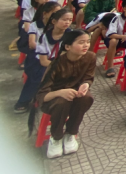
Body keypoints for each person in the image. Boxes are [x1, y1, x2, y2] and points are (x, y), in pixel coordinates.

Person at [31, 29, 95, 159]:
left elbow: (88, 77)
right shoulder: (56, 63)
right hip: (53, 98)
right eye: (81, 42)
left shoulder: (90, 57)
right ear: (67, 47)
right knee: (62, 102)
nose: (86, 45)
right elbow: (42, 95)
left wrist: (85, 85)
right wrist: (60, 92)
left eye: (88, 42)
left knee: (86, 98)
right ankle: (56, 137)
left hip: (75, 94)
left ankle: (70, 133)